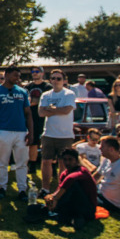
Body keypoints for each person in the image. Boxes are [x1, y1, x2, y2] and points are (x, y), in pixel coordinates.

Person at [0, 66, 34, 197]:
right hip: (4, 131)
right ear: (6, 75)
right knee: (2, 161)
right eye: (15, 75)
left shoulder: (23, 92)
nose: (17, 78)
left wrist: (31, 132)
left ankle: (22, 189)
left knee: (22, 162)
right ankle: (2, 188)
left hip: (21, 131)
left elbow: (28, 113)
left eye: (19, 76)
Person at [38, 69, 77, 197]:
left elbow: (67, 110)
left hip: (65, 135)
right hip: (48, 134)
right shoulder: (46, 95)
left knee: (63, 163)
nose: (55, 81)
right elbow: (41, 112)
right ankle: (45, 188)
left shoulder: (69, 94)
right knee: (46, 161)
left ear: (64, 81)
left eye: (59, 78)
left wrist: (51, 109)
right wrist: (54, 110)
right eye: (53, 78)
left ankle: (62, 189)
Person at [42, 148, 98, 228]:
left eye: (70, 160)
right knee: (35, 208)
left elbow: (71, 178)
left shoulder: (82, 171)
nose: (67, 162)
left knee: (73, 184)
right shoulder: (65, 173)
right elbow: (60, 189)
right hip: (71, 204)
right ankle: (64, 215)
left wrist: (55, 198)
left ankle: (75, 216)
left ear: (76, 160)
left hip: (87, 207)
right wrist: (51, 198)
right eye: (65, 160)